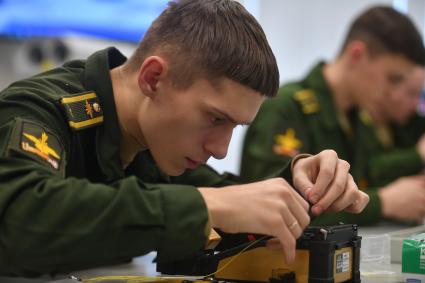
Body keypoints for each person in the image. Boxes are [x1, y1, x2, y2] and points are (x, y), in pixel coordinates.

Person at [0, 0, 368, 277]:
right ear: (153, 79)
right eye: (214, 118)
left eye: (234, 127)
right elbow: (20, 217)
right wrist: (206, 205)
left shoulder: (151, 141)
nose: (221, 150)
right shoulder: (37, 110)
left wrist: (300, 184)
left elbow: (226, 200)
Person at [240, 6, 425, 226]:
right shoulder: (286, 108)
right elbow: (269, 207)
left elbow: (367, 179)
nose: (394, 93)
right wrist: (382, 203)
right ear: (357, 54)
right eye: (392, 79)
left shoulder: (358, 117)